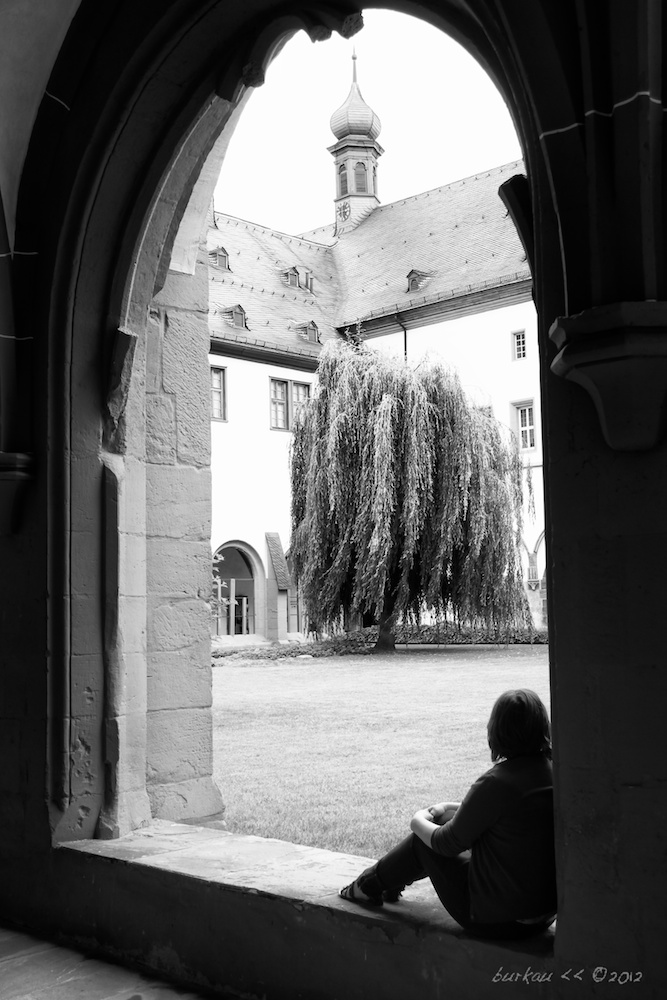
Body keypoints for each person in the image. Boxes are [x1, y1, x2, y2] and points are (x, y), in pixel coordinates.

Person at [339, 688, 557, 939]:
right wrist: (449, 809)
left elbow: (445, 844)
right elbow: (505, 815)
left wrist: (417, 819)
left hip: (501, 921)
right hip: (542, 915)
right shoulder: (552, 771)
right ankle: (387, 883)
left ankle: (367, 886)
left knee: (423, 843)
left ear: (497, 729)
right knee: (442, 824)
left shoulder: (497, 783)